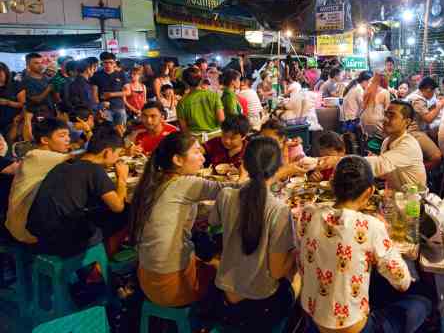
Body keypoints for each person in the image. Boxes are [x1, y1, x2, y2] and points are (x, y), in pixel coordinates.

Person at [297, 155, 431, 333]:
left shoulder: (307, 214)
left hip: (313, 319)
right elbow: (402, 281)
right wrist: (384, 240)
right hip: (354, 328)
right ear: (369, 192)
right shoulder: (371, 226)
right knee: (423, 302)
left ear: (331, 184)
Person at [130, 132, 243, 307]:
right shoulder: (185, 184)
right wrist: (247, 175)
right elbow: (235, 190)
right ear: (177, 160)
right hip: (172, 286)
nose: (202, 157)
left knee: (210, 254)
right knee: (235, 274)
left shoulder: (152, 180)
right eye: (196, 152)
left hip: (147, 278)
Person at [208, 137, 296, 329]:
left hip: (224, 297)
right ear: (278, 166)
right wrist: (297, 251)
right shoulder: (278, 210)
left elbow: (213, 223)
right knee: (297, 282)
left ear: (244, 164)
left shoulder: (226, 195)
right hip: (260, 306)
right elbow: (277, 271)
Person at [27, 124, 128, 257]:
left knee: (98, 212)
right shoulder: (94, 170)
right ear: (107, 152)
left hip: (38, 233)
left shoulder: (66, 164)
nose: (117, 159)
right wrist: (122, 178)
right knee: (125, 215)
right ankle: (98, 267)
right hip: (60, 241)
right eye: (117, 154)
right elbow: (117, 206)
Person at [5, 118, 71, 244]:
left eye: (68, 135)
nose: (68, 139)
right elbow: (83, 157)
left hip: (26, 220)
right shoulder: (37, 156)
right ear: (45, 140)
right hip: (25, 228)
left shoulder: (45, 156)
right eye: (62, 136)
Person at [406, 77, 444, 169]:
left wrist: (434, 107)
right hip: (414, 132)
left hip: (416, 129)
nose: (434, 94)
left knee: (435, 136)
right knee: (437, 157)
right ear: (428, 89)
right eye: (433, 91)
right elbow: (428, 119)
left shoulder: (416, 96)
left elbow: (423, 112)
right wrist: (439, 106)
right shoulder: (417, 99)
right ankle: (415, 170)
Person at [176, 67, 225, 135]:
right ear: (201, 80)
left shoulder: (182, 102)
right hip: (216, 137)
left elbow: (184, 129)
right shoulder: (213, 96)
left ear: (184, 82)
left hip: (196, 141)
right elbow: (222, 120)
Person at [92, 52, 130, 127]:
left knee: (121, 132)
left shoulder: (121, 74)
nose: (108, 65)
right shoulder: (97, 75)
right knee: (106, 132)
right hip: (104, 109)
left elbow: (128, 91)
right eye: (105, 63)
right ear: (102, 63)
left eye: (111, 62)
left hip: (119, 107)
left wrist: (111, 94)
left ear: (115, 63)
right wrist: (99, 109)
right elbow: (95, 95)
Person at [18, 52, 55, 120]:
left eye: (41, 62)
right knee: (42, 129)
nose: (40, 65)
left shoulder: (45, 77)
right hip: (38, 115)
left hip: (50, 111)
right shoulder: (26, 81)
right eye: (36, 63)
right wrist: (49, 89)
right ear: (28, 65)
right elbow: (37, 100)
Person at [360, 73, 391, 138]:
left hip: (363, 122)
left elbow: (363, 106)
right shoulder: (385, 92)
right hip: (376, 122)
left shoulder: (368, 90)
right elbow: (387, 110)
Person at [0, 61, 22, 137]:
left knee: (11, 145)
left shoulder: (15, 85)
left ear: (5, 72)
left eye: (0, 72)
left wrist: (7, 102)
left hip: (12, 123)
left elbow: (23, 104)